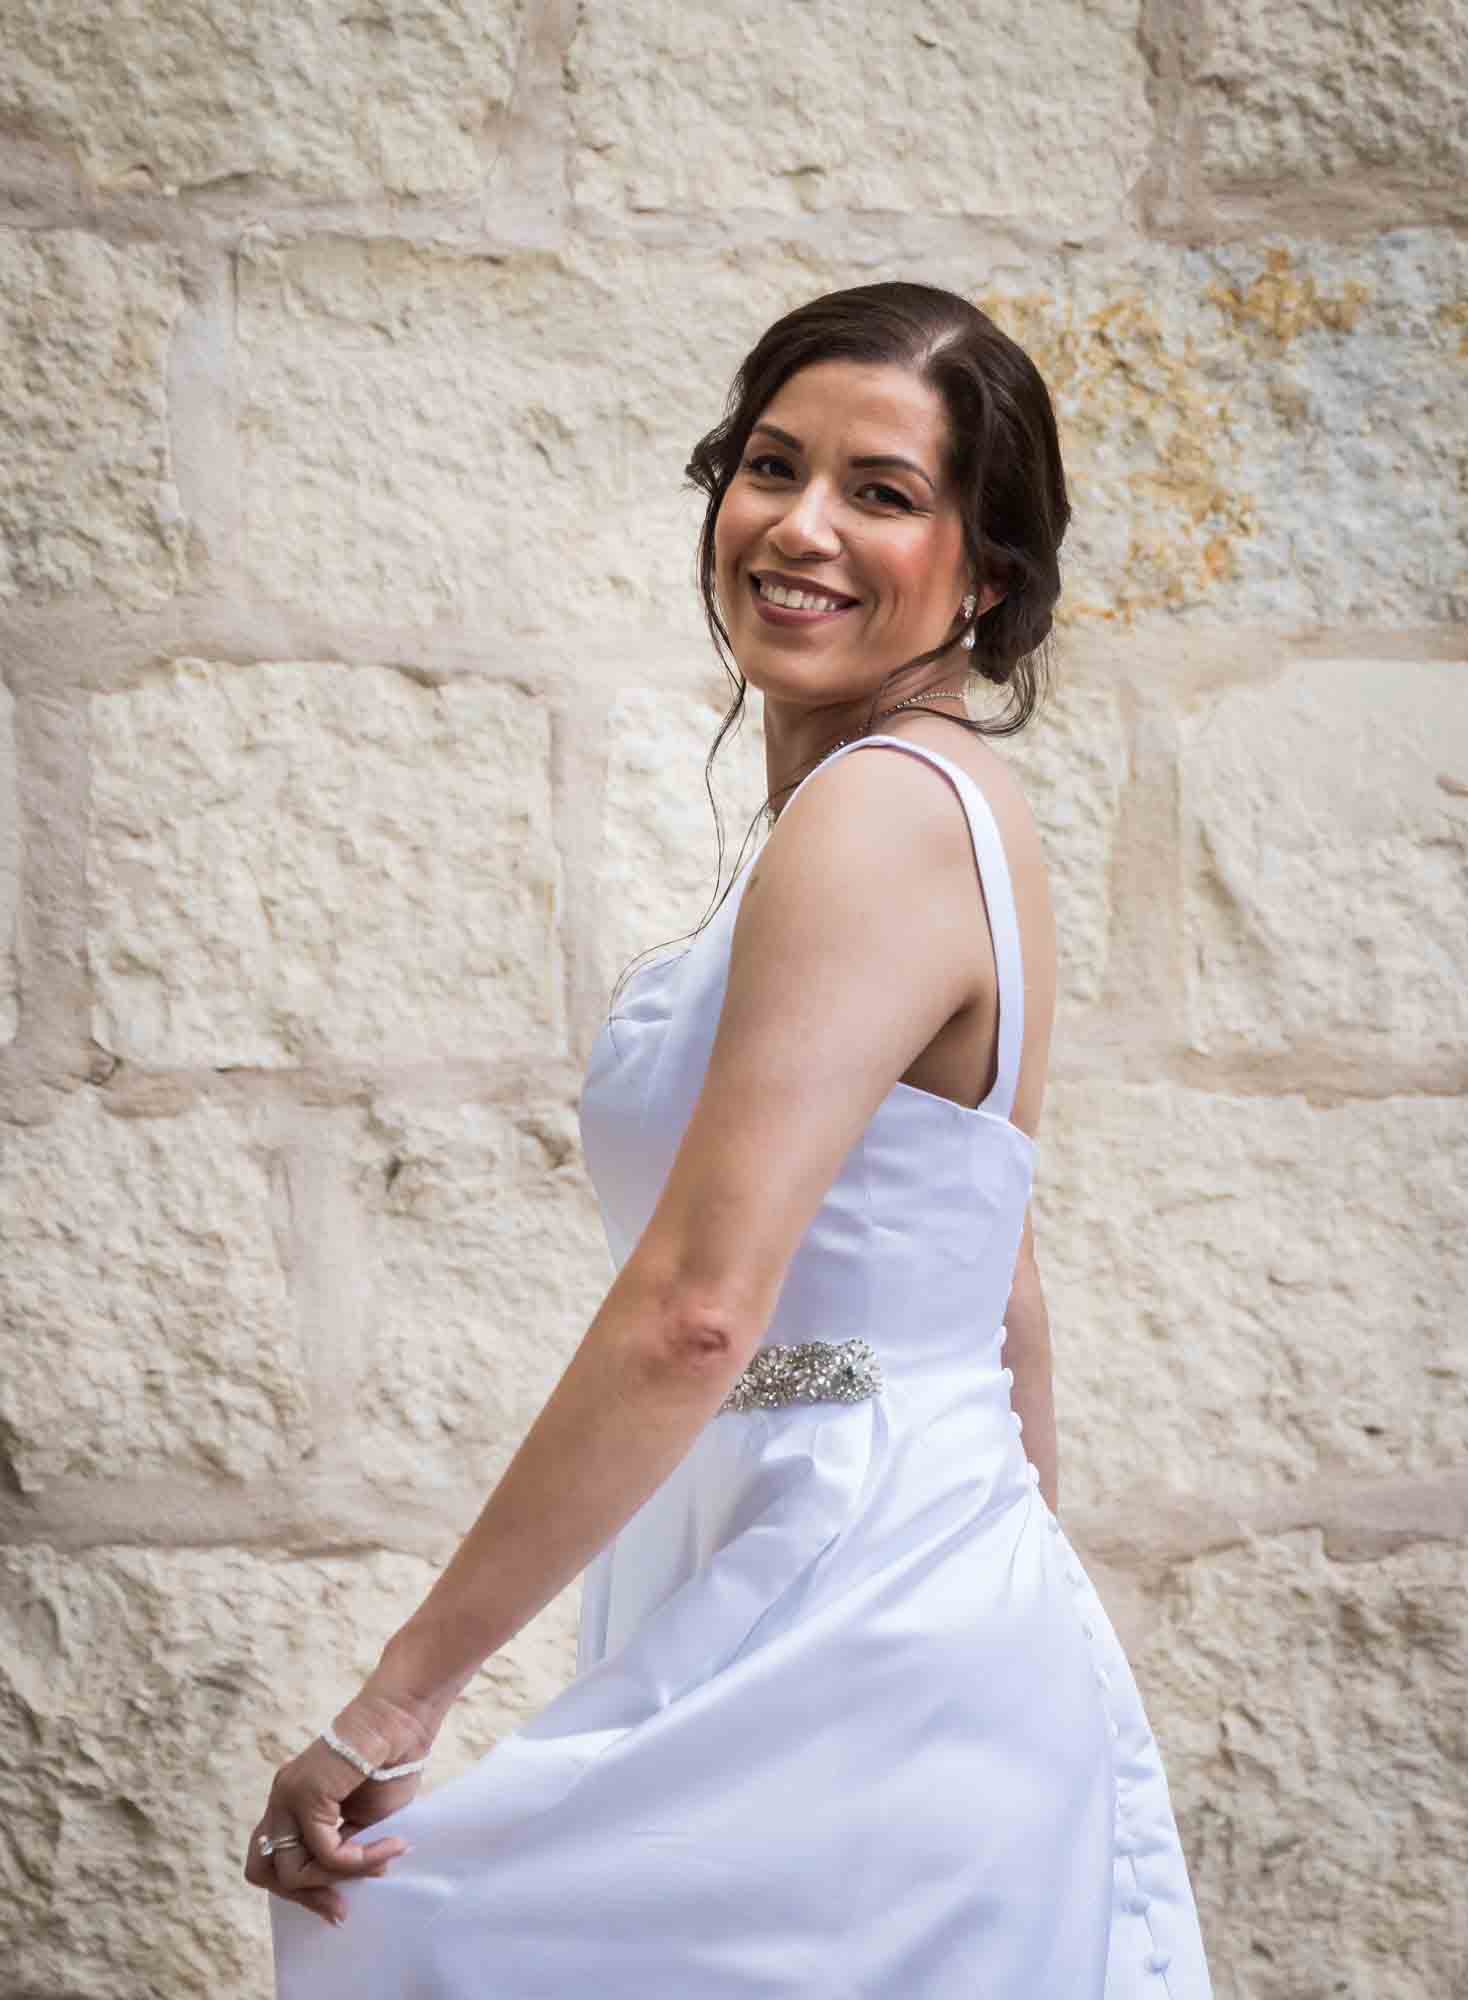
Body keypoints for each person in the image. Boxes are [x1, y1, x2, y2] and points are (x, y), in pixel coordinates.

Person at [253, 280, 1213, 1996]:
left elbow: (701, 1308)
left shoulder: (880, 818)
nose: (802, 527)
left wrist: (398, 1695)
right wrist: (1013, 1614)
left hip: (847, 1599)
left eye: (883, 492)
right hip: (872, 1577)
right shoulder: (940, 812)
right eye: (772, 466)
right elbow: (1005, 1296)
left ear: (984, 576)